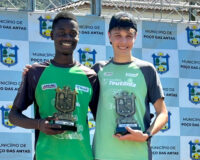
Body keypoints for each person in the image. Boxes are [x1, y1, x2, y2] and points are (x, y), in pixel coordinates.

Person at [9, 11, 99, 160]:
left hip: (81, 156)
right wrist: (39, 124)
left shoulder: (90, 76)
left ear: (78, 37)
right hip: (46, 156)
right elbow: (13, 116)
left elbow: (101, 119)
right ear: (52, 35)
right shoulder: (36, 72)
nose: (67, 37)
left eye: (72, 33)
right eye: (61, 33)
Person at [91, 12, 168, 160]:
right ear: (109, 36)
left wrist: (146, 135)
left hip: (138, 154)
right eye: (118, 35)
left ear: (135, 37)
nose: (123, 41)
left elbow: (163, 113)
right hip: (103, 153)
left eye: (129, 35)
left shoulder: (147, 70)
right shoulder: (98, 70)